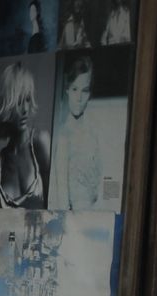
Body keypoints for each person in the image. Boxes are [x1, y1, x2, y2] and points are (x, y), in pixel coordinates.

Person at [0, 61, 50, 209]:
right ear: (7, 104)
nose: (25, 109)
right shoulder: (0, 163)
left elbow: (55, 207)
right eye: (18, 102)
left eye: (28, 99)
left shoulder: (41, 143)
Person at [50, 55, 104, 210]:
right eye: (74, 89)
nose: (79, 98)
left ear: (90, 93)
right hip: (76, 222)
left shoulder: (94, 133)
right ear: (67, 89)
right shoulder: (64, 136)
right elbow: (62, 198)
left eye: (85, 91)